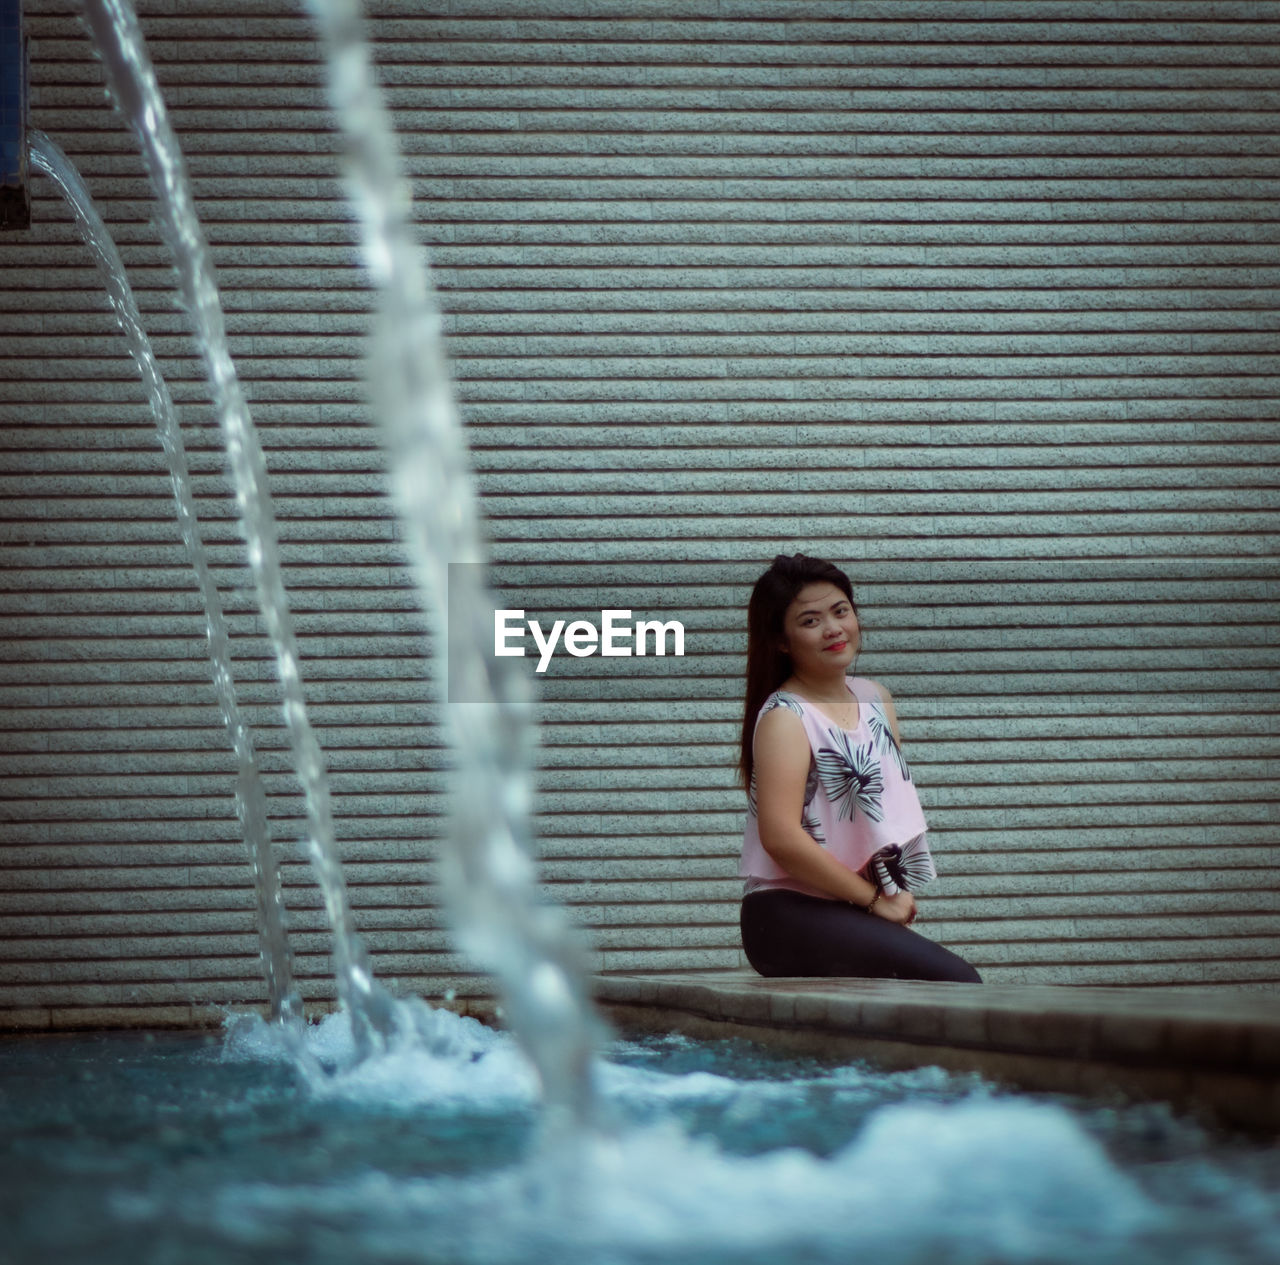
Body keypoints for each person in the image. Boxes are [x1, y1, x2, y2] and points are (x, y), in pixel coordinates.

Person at [738, 553, 981, 982]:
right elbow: (780, 838)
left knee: (937, 986)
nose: (833, 629)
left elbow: (880, 815)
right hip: (784, 915)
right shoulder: (786, 717)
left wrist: (892, 891)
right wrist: (874, 902)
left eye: (840, 611)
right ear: (781, 640)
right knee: (956, 982)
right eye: (810, 621)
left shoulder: (875, 698)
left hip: (851, 906)